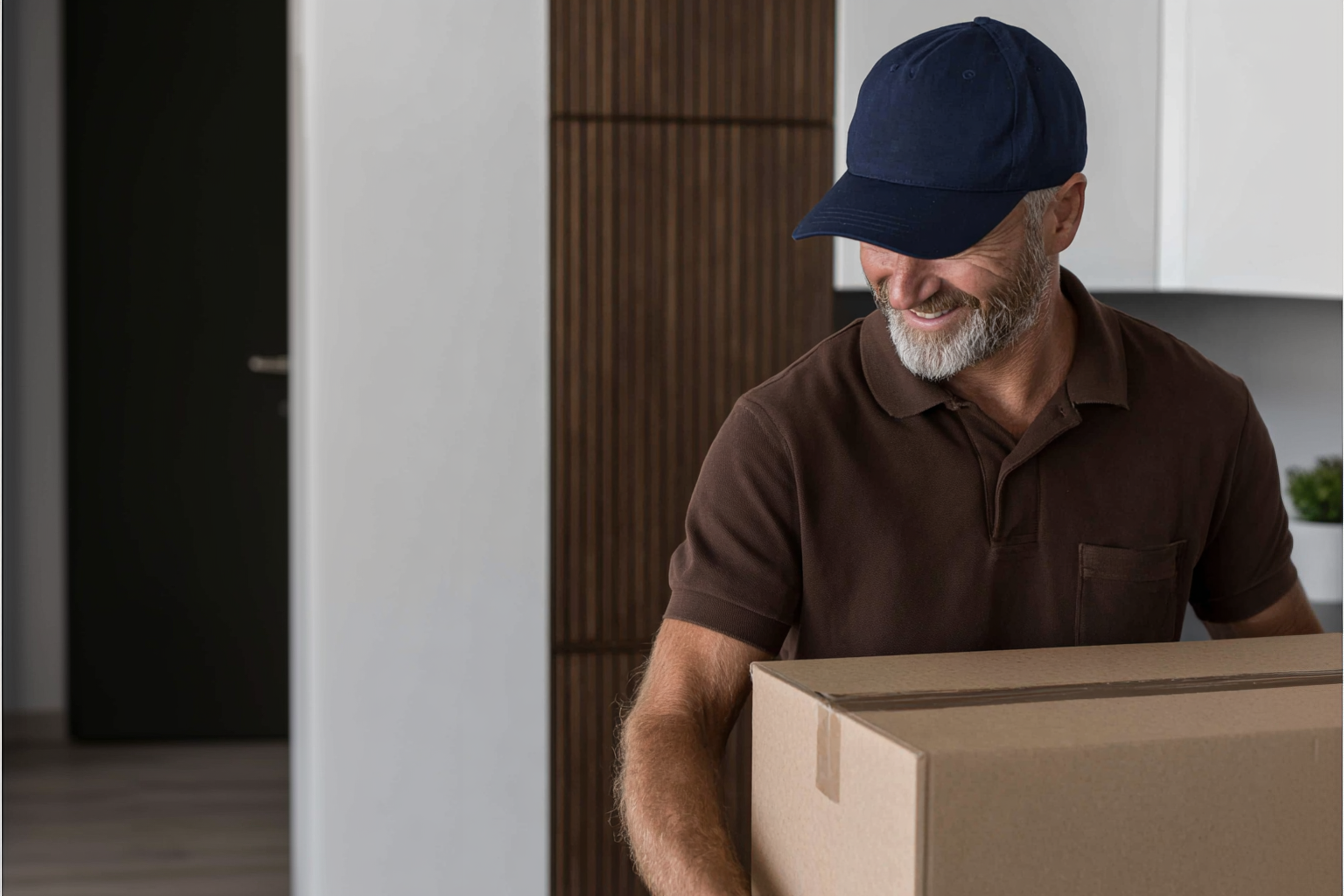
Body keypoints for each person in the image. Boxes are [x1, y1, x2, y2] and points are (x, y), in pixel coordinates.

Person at [613, 16, 1323, 896]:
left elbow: (1296, 692)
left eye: (946, 235)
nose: (899, 282)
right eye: (877, 228)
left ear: (1062, 212)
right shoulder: (784, 436)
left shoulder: (1203, 417)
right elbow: (673, 719)